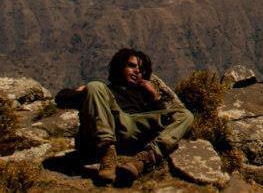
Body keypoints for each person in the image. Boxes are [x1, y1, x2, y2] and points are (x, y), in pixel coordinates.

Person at [55, 48, 194, 185]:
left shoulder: (144, 94)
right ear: (120, 67)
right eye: (132, 66)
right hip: (107, 127)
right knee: (95, 85)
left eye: (141, 69)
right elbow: (61, 99)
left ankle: (143, 159)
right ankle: (107, 153)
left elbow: (162, 122)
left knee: (185, 115)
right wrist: (81, 92)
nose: (137, 71)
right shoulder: (103, 91)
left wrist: (155, 97)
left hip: (133, 128)